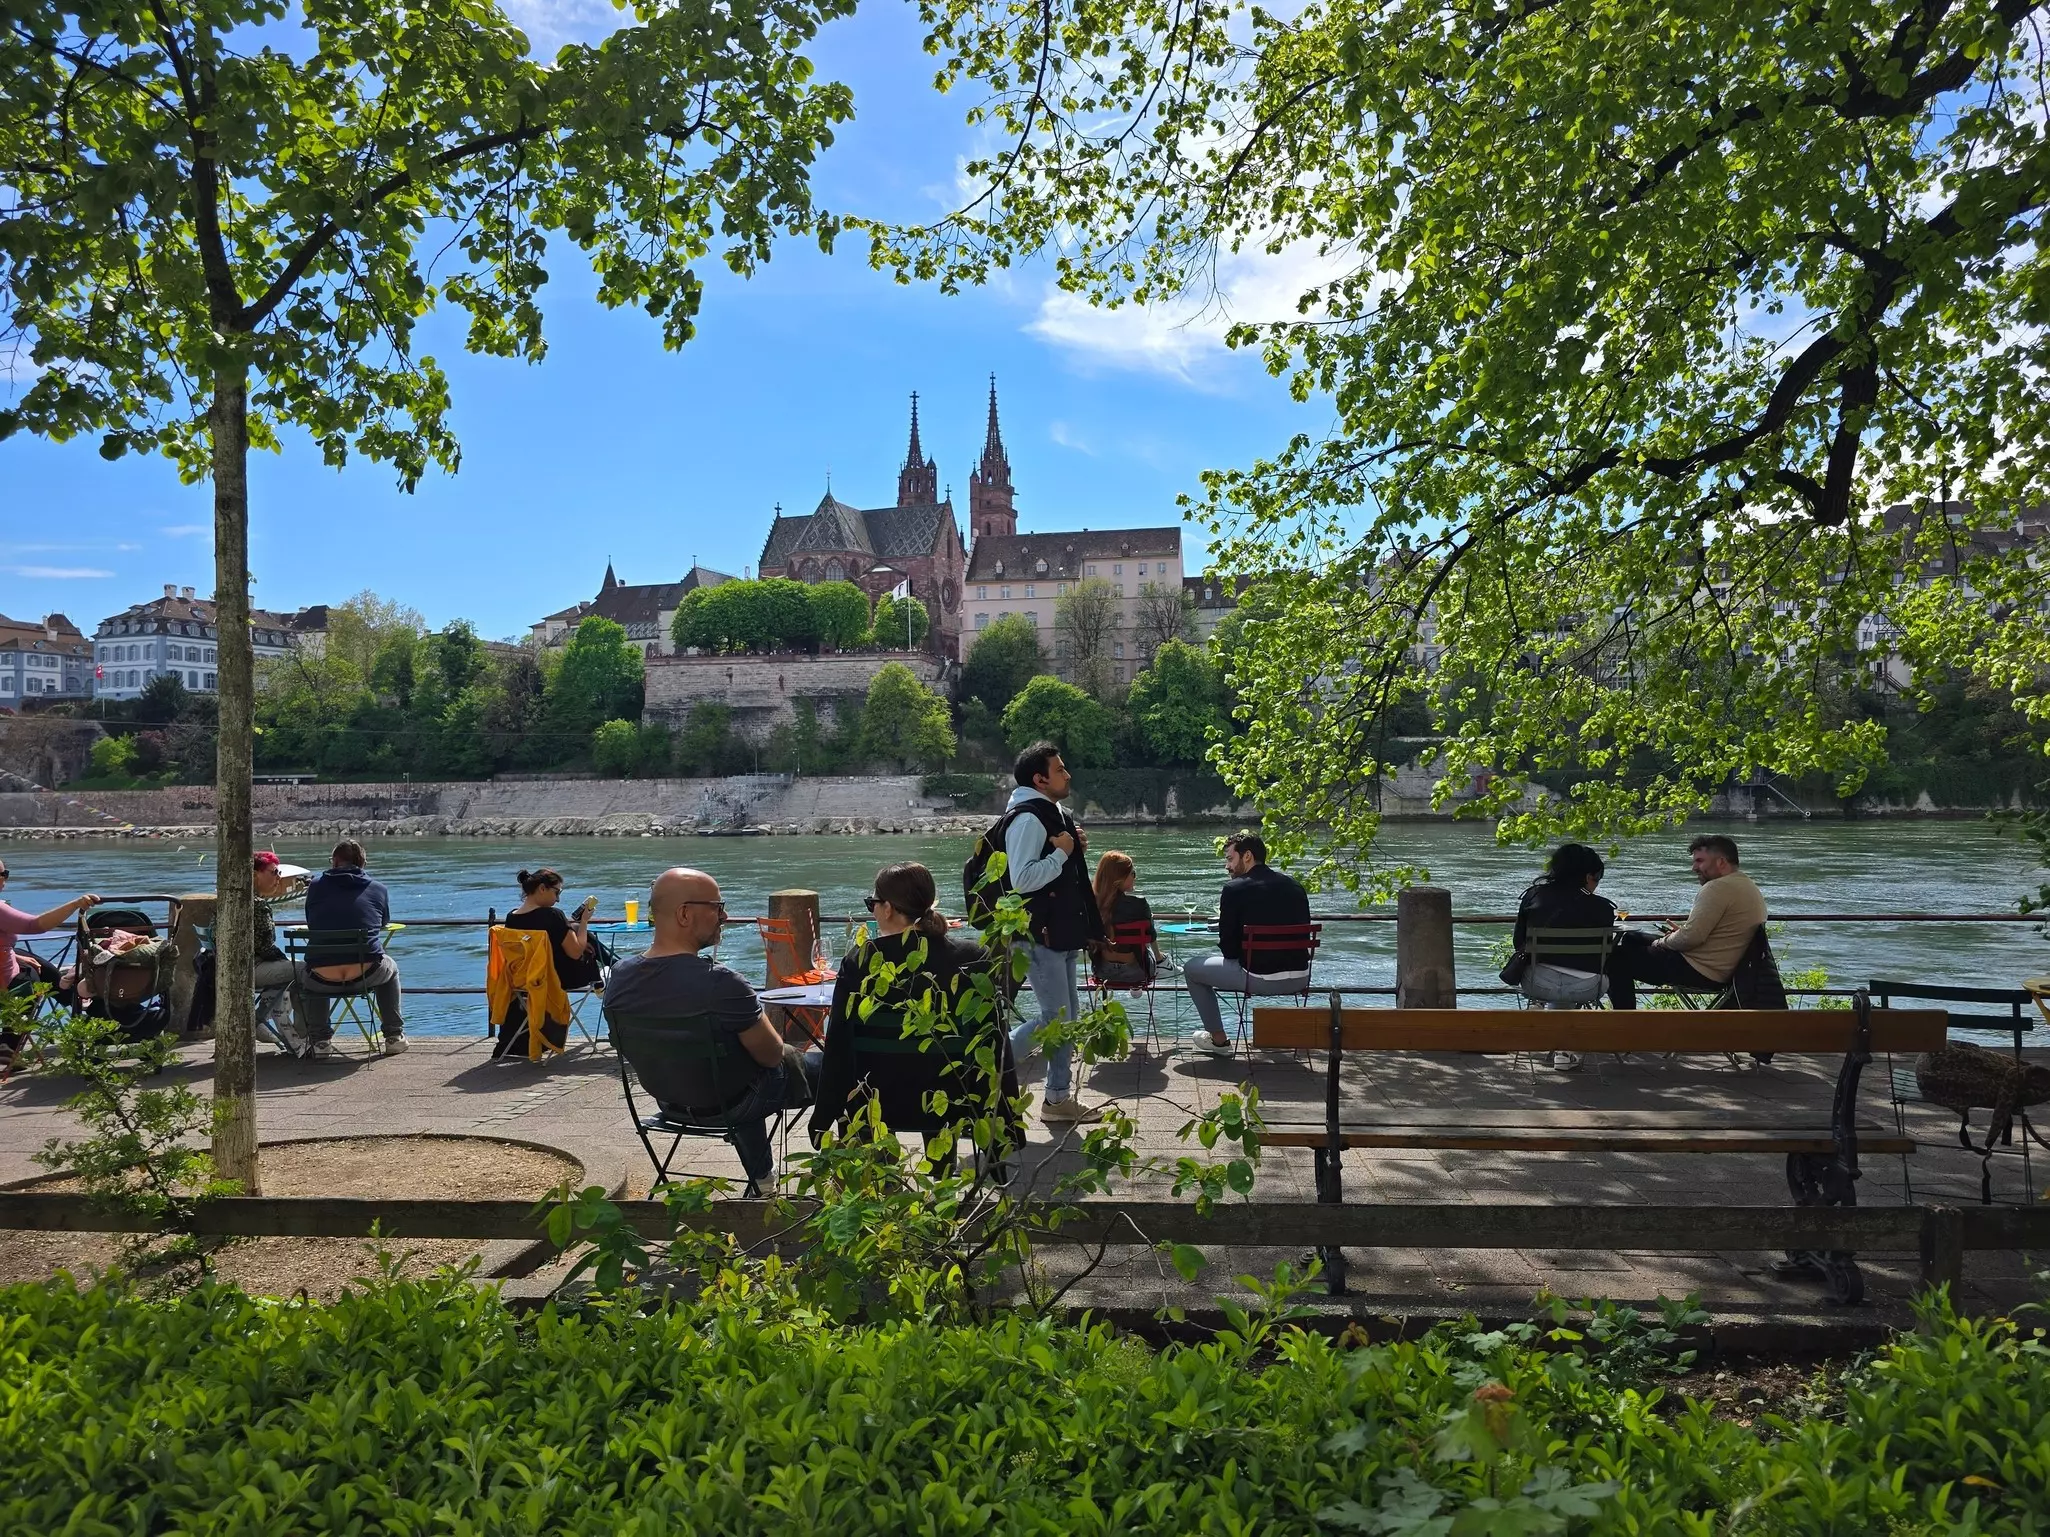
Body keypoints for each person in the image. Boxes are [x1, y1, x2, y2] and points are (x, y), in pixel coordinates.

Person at [603, 867, 817, 1189]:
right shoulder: (722, 983)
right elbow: (772, 1056)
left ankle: (762, 1181)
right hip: (733, 1103)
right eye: (717, 907)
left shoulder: (619, 976)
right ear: (685, 914)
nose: (726, 916)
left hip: (670, 1100)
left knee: (731, 1069)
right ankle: (855, 1173)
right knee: (841, 1068)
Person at [810, 862, 1021, 1158]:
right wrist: (1007, 1122)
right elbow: (995, 1041)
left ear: (887, 909)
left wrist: (822, 1118)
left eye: (872, 903)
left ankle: (880, 1179)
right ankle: (943, 1177)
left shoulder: (860, 961)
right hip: (952, 1097)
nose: (872, 910)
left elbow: (839, 1047)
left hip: (876, 1100)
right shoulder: (972, 957)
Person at [998, 741, 1107, 1124]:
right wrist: (1061, 853)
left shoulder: (1050, 811)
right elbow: (1022, 879)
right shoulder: (1028, 818)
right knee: (1056, 1020)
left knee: (1066, 1019)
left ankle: (1056, 1099)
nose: (1068, 774)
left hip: (1057, 932)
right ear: (1040, 779)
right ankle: (988, 1066)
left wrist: (1070, 846)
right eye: (1060, 769)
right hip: (1039, 935)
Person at [1184, 831, 1312, 1056]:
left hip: (1258, 978)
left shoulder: (1234, 889)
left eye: (1230, 858)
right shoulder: (1295, 886)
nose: (1227, 866)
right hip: (1300, 977)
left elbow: (1230, 951)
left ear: (1247, 856)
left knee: (1191, 969)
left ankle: (1219, 1041)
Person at [1611, 834, 1768, 1009]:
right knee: (1632, 937)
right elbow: (1706, 934)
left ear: (1721, 862)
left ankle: (1625, 1023)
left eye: (1700, 861)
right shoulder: (1747, 885)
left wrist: (1661, 942)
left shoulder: (1717, 887)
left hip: (1703, 971)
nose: (1694, 867)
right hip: (1730, 970)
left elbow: (1691, 938)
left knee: (1614, 960)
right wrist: (1679, 935)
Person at [1508, 842, 1620, 1071]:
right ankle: (1564, 1051)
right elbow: (1606, 952)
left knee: (1553, 972)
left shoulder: (1533, 897)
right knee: (1590, 972)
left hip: (1537, 983)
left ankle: (1554, 1037)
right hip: (1589, 986)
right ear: (1588, 876)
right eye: (1597, 877)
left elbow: (1518, 942)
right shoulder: (1603, 908)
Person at [298, 839, 407, 1056]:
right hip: (366, 974)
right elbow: (382, 921)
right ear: (363, 863)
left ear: (336, 861)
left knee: (305, 971)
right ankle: (393, 1036)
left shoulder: (316, 887)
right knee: (389, 966)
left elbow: (312, 922)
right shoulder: (378, 889)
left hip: (322, 978)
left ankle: (320, 1041)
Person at [0, 862, 97, 1069]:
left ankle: (75, 998)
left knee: (42, 967)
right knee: (32, 982)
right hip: (4, 984)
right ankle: (8, 1045)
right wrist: (74, 904)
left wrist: (14, 955)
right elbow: (34, 925)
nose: (4, 879)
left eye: (5, 873)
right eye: (2, 875)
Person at [504, 868, 606, 990]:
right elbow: (576, 953)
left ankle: (615, 967)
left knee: (575, 927)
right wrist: (584, 921)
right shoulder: (553, 915)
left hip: (523, 979)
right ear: (542, 888)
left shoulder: (511, 917)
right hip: (557, 979)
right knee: (582, 934)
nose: (558, 899)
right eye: (557, 892)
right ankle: (614, 971)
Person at [250, 851, 309, 1056]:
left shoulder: (238, 900)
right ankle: (304, 1036)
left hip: (234, 967)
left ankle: (265, 1017)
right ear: (255, 874)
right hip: (252, 969)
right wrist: (285, 960)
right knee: (304, 970)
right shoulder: (258, 906)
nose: (278, 877)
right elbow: (265, 948)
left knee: (292, 969)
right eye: (274, 872)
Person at [1090, 851, 1171, 988]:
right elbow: (1150, 935)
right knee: (1146, 933)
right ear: (1119, 878)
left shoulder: (1091, 905)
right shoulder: (1139, 903)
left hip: (1102, 972)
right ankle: (1161, 962)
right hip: (1137, 972)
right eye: (1132, 873)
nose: (1135, 878)